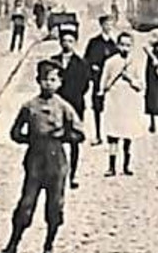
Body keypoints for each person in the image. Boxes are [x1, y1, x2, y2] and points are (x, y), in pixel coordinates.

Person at [0, 59, 86, 253]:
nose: (48, 84)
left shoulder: (64, 107)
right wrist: (31, 139)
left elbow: (80, 133)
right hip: (35, 162)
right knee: (26, 205)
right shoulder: (29, 107)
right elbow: (15, 133)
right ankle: (11, 248)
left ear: (59, 83)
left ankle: (49, 246)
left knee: (55, 206)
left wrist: (62, 135)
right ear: (38, 82)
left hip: (57, 161)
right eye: (44, 80)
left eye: (53, 80)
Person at [98, 31, 143, 176]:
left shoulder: (135, 63)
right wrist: (103, 92)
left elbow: (141, 85)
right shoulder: (110, 62)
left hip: (129, 101)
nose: (125, 48)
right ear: (117, 45)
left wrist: (130, 79)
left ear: (132, 47)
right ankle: (111, 166)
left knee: (127, 133)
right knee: (113, 133)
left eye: (128, 45)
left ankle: (126, 165)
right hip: (114, 100)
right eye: (122, 44)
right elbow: (103, 83)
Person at [53, 27, 92, 188]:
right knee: (56, 140)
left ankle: (73, 175)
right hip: (57, 104)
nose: (67, 44)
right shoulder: (53, 60)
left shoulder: (81, 63)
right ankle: (57, 174)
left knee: (74, 141)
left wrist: (75, 95)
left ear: (74, 43)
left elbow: (85, 84)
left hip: (75, 104)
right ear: (60, 42)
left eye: (70, 41)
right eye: (64, 41)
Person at [82, 13, 117, 145]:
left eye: (110, 24)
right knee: (97, 107)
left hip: (110, 80)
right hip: (97, 79)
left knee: (111, 107)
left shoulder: (113, 44)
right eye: (106, 24)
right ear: (101, 25)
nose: (109, 26)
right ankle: (97, 134)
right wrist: (92, 68)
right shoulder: (94, 42)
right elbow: (86, 60)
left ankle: (110, 133)